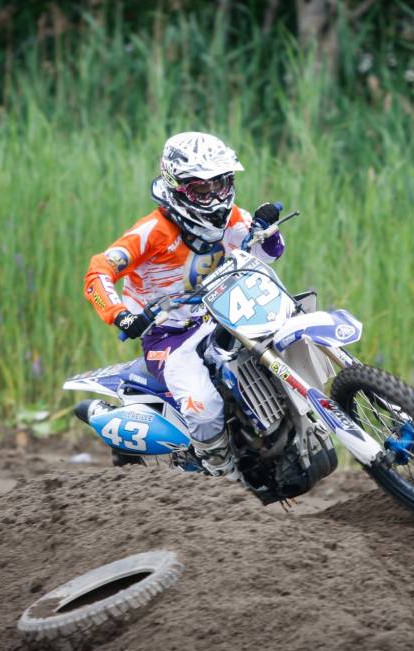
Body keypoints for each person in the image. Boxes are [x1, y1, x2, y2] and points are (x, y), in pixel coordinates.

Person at [83, 131, 284, 479]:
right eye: (202, 190)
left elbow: (266, 255)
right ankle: (220, 474)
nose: (216, 197)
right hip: (169, 336)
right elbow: (99, 270)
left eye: (222, 184)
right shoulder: (152, 231)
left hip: (221, 316)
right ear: (178, 188)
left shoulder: (232, 218)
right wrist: (121, 315)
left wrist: (268, 230)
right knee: (204, 409)